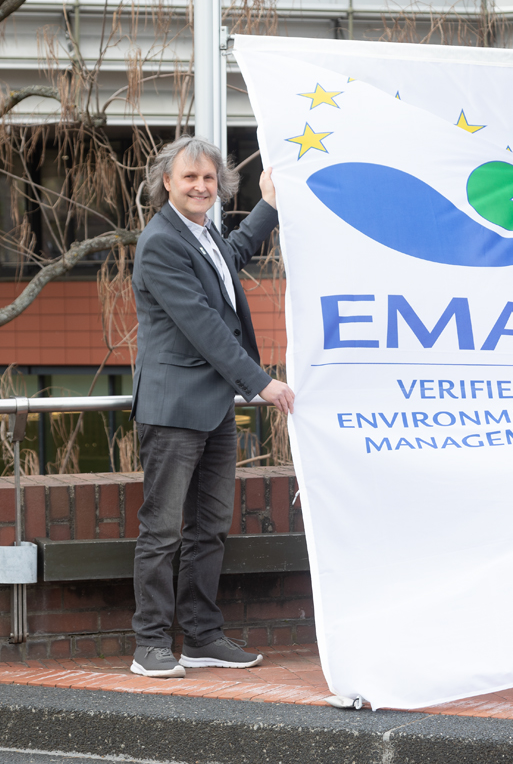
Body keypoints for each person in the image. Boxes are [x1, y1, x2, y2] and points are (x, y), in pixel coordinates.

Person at [129, 136, 295, 678]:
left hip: (213, 408)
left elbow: (238, 253)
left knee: (210, 527)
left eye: (209, 180)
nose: (201, 187)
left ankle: (200, 637)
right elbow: (202, 326)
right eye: (190, 178)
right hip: (173, 409)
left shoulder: (203, 235)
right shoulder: (160, 243)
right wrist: (260, 383)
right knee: (163, 531)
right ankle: (150, 644)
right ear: (167, 184)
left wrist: (269, 202)